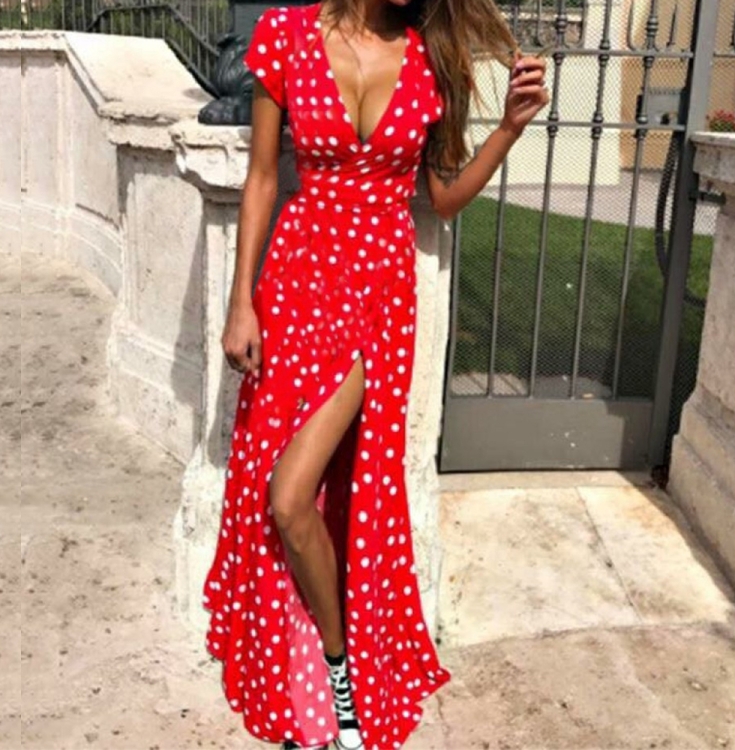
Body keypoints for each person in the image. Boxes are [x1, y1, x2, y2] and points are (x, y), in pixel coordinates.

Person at [201, 1, 549, 749]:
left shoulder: (430, 58)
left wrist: (509, 129)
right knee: (287, 496)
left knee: (293, 496)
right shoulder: (286, 35)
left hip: (378, 301)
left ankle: (341, 675)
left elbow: (442, 198)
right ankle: (310, 672)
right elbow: (261, 179)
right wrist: (240, 302)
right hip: (296, 284)